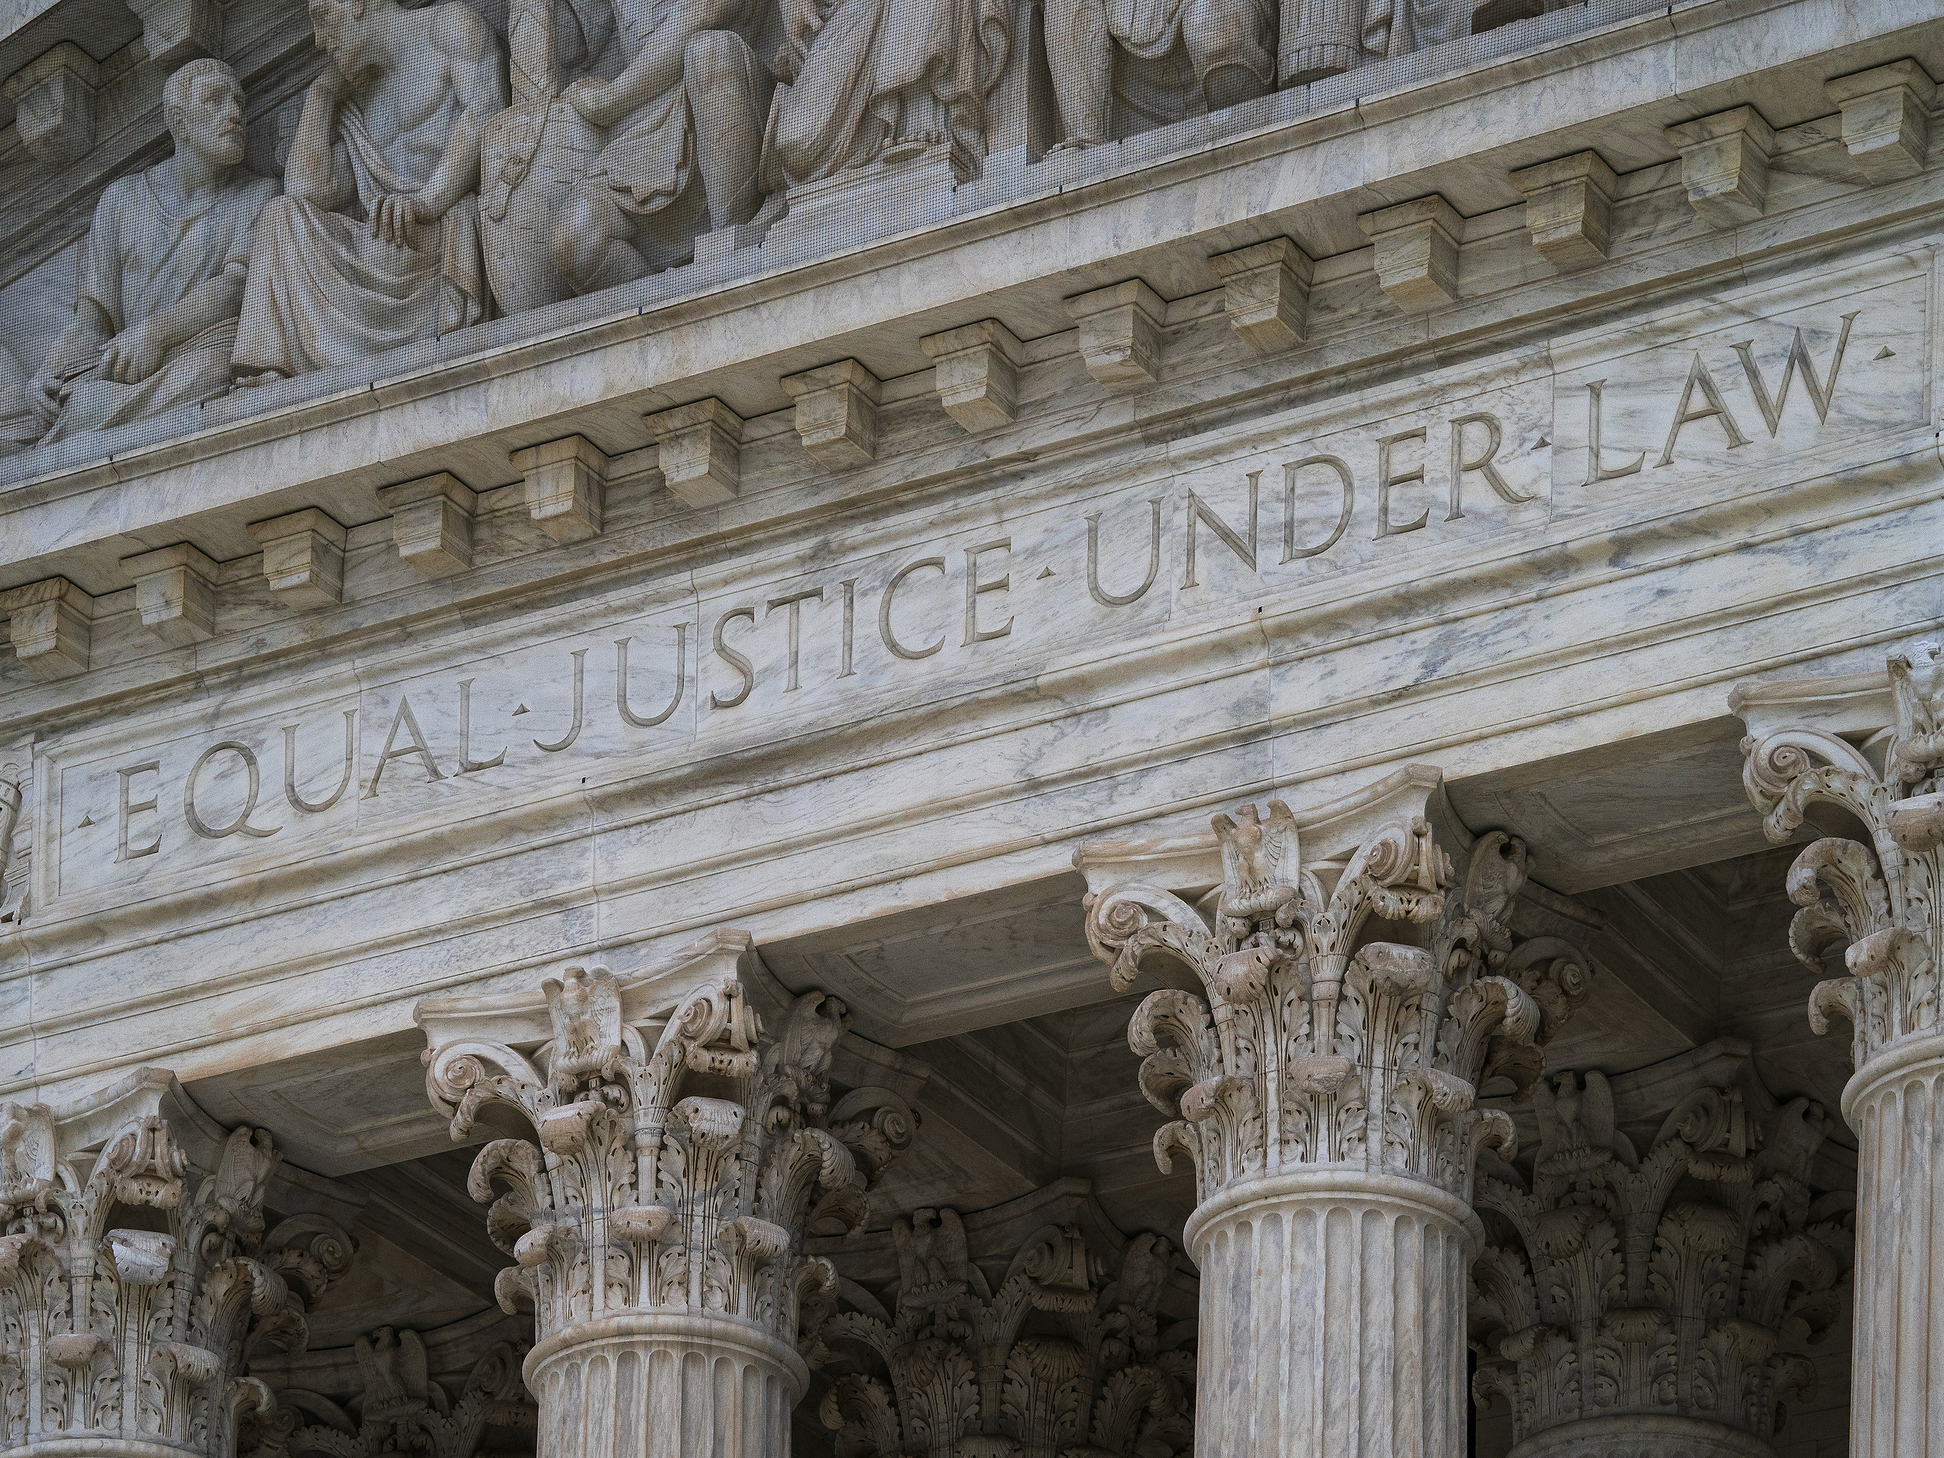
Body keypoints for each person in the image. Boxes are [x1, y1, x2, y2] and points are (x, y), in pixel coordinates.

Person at [230, 0, 504, 379]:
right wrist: (321, 95)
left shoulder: (449, 26)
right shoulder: (360, 93)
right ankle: (270, 376)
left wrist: (428, 200)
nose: (320, 41)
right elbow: (304, 192)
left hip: (435, 240)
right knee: (279, 216)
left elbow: (486, 112)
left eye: (323, 20)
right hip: (380, 249)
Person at [29, 59, 274, 443]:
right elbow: (94, 323)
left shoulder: (259, 195)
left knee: (210, 373)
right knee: (83, 404)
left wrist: (155, 335)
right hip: (126, 370)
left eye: (239, 102)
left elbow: (237, 287)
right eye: (215, 100)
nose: (234, 114)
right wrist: (48, 374)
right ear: (179, 123)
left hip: (201, 356)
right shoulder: (121, 200)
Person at [544, 0, 769, 295]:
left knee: (708, 52)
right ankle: (666, 311)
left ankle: (730, 250)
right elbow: (573, 49)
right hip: (638, 135)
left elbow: (705, 13)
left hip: (729, 101)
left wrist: (611, 99)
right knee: (574, 240)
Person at [1043, 0, 1273, 149]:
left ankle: (1237, 133)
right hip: (1130, 70)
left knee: (1210, 30)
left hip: (1224, 29)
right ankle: (1085, 140)